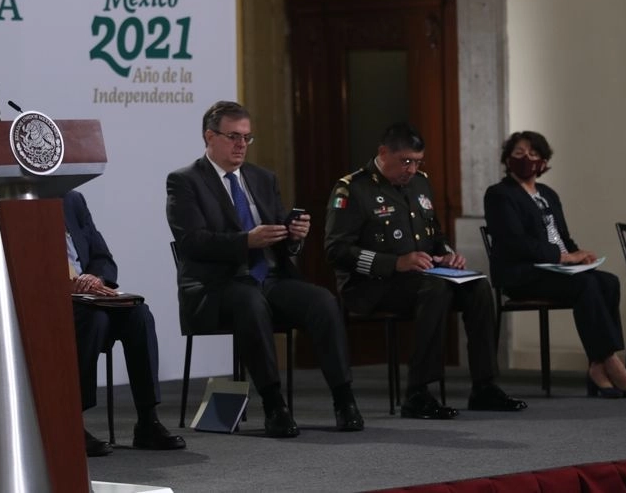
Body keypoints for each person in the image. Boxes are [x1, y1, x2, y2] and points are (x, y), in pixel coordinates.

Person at [166, 100, 363, 437]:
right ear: (210, 137)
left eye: (247, 137)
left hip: (269, 279)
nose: (241, 145)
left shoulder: (262, 177)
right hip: (216, 287)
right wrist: (246, 241)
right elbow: (192, 242)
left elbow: (277, 239)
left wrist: (293, 237)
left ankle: (344, 400)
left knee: (323, 301)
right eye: (233, 136)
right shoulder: (185, 181)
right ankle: (274, 405)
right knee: (250, 302)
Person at [325, 123, 528, 418]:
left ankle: (484, 386)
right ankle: (418, 392)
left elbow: (435, 236)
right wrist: (395, 262)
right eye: (405, 161)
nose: (411, 169)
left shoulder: (420, 183)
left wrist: (447, 256)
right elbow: (336, 251)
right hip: (371, 285)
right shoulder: (353, 188)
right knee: (436, 288)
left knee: (478, 287)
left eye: (417, 162)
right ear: (384, 153)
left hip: (420, 278)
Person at [483, 131, 626, 399]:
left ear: (543, 162)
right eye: (519, 153)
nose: (526, 158)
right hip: (522, 273)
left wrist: (579, 254)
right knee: (585, 284)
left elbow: (562, 237)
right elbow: (515, 242)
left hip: (556, 270)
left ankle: (597, 365)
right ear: (508, 159)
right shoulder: (499, 194)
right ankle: (610, 360)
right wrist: (562, 257)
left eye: (533, 154)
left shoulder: (548, 194)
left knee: (608, 282)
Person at [63, 190, 186, 456]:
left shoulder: (72, 200)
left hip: (88, 294)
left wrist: (96, 279)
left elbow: (102, 257)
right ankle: (70, 423)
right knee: (94, 319)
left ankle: (147, 421)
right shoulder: (18, 199)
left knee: (139, 315)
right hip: (51, 299)